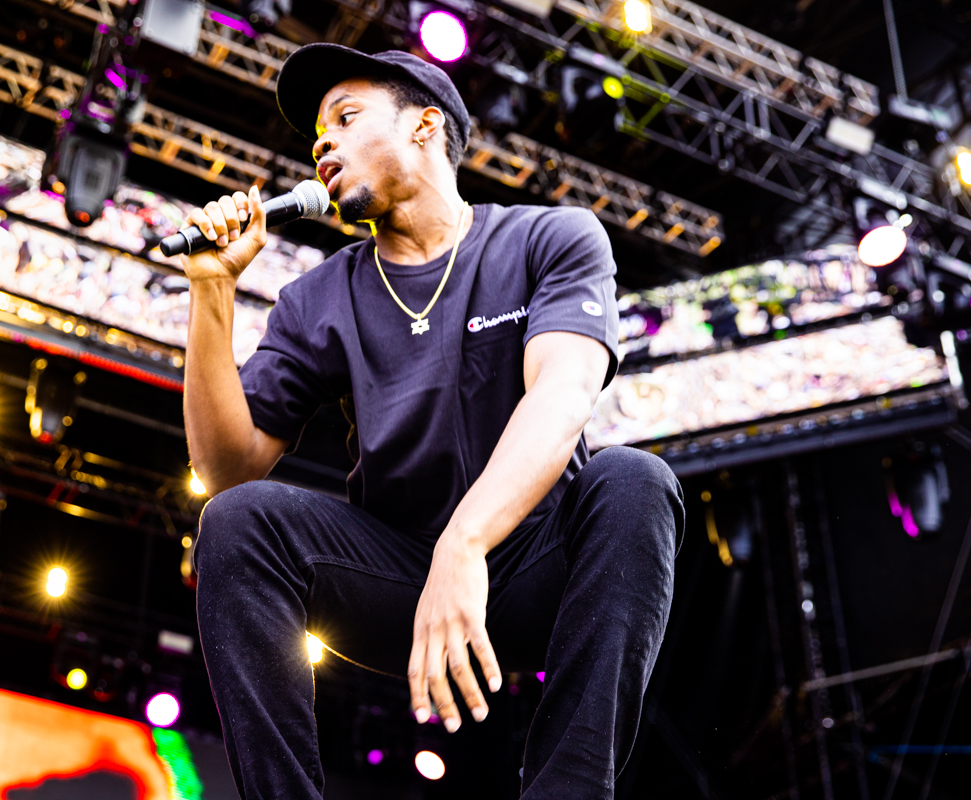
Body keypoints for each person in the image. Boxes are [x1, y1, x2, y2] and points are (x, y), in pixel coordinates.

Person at [181, 43, 684, 800]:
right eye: (316, 135)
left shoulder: (550, 238)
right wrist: (212, 290)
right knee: (237, 521)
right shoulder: (317, 299)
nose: (321, 145)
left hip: (539, 566)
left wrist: (466, 542)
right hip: (402, 581)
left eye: (345, 118)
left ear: (424, 126)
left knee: (634, 479)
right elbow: (226, 470)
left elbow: (564, 392)